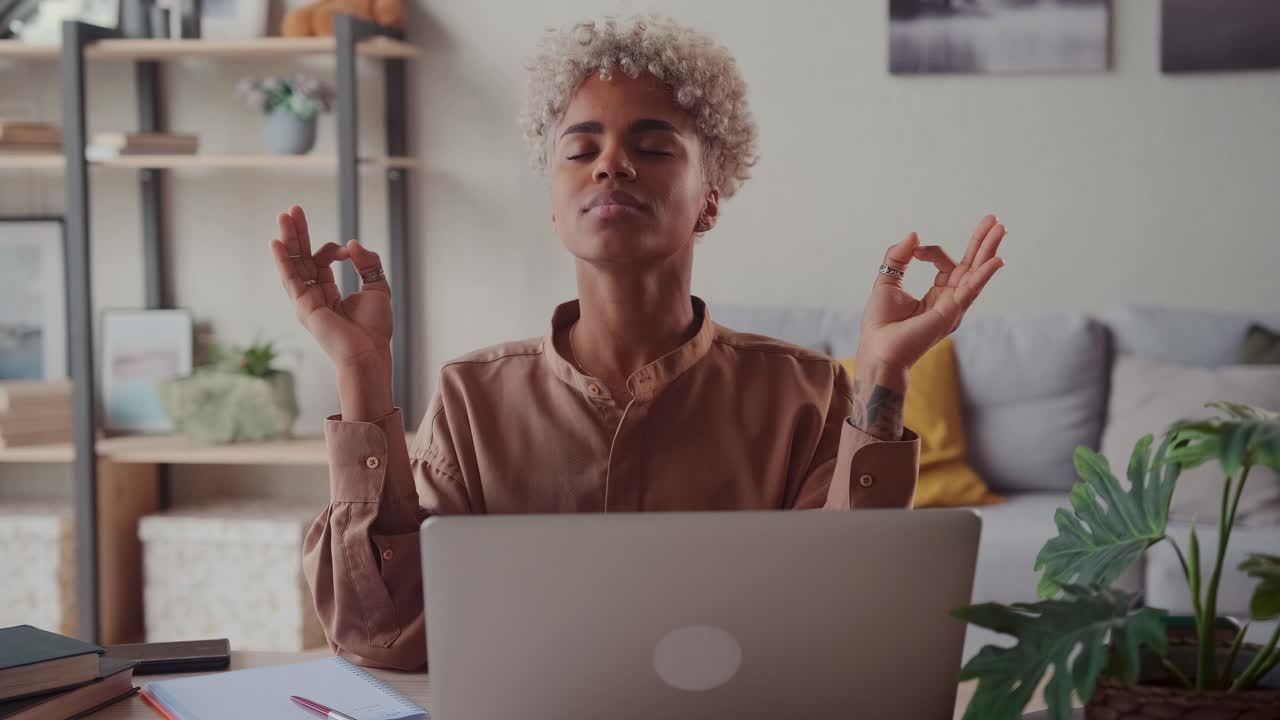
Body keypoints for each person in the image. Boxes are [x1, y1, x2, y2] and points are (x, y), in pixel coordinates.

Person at [269, 15, 1006, 671]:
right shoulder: (472, 399)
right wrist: (362, 378)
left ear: (709, 200)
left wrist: (883, 368)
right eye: (580, 148)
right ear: (555, 207)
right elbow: (383, 637)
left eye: (652, 147)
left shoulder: (804, 393)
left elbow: (856, 627)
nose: (610, 164)